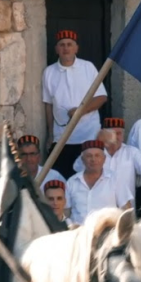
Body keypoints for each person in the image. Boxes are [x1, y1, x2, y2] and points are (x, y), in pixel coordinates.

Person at [42, 29, 107, 178]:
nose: (66, 48)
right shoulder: (49, 72)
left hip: (88, 135)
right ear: (57, 49)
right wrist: (50, 134)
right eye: (62, 45)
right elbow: (48, 105)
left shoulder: (88, 67)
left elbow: (101, 97)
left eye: (70, 44)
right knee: (61, 178)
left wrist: (80, 111)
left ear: (76, 48)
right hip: (62, 137)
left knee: (87, 177)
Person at [72, 118, 141, 205]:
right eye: (112, 134)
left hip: (125, 213)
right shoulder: (94, 153)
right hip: (98, 212)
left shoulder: (131, 152)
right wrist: (96, 143)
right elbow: (77, 167)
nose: (116, 137)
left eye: (119, 133)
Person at [65, 139, 132, 226]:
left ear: (104, 159)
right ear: (82, 159)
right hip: (77, 233)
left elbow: (126, 209)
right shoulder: (72, 182)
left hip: (106, 233)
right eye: (89, 156)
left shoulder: (115, 179)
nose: (93, 159)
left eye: (97, 155)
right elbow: (65, 212)